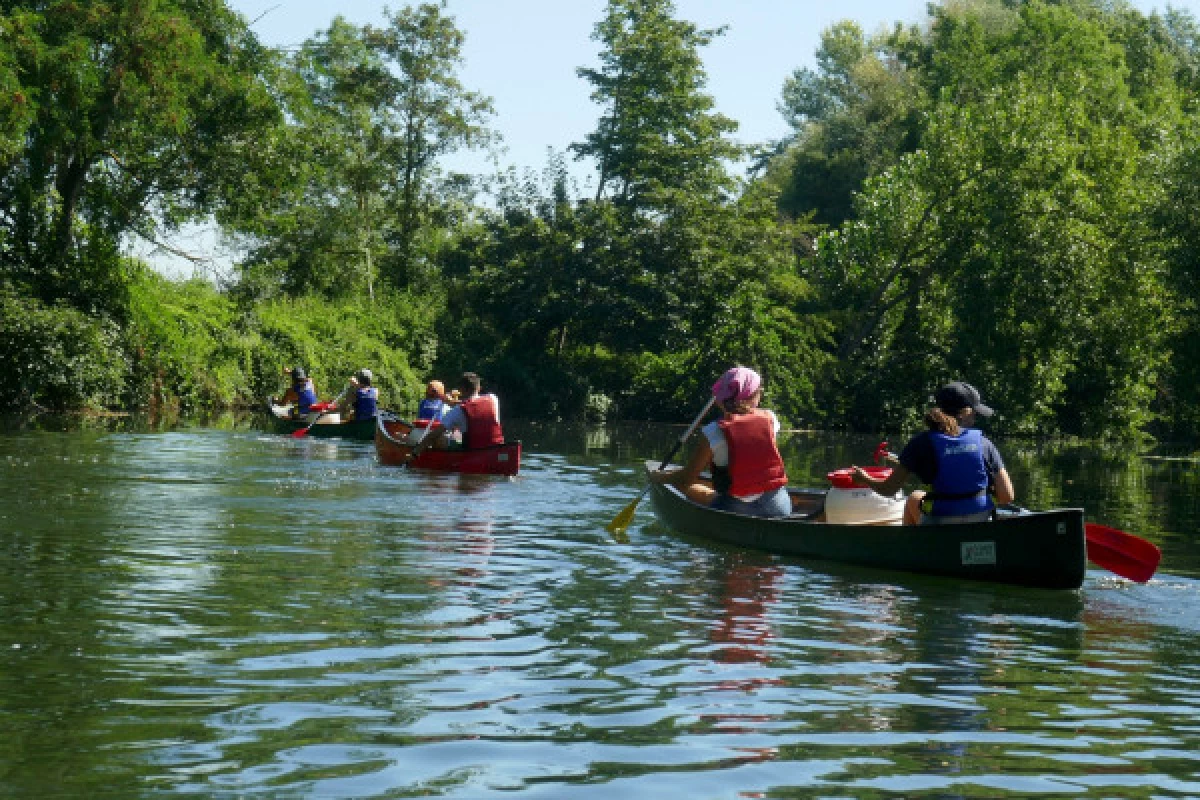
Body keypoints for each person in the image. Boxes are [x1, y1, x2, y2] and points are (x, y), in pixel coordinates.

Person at [853, 381, 1015, 525]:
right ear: (964, 413)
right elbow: (1007, 496)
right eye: (974, 412)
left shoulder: (920, 443)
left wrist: (864, 478)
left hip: (940, 524)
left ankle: (912, 551)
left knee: (914, 497)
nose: (975, 418)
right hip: (980, 522)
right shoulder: (984, 443)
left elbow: (888, 490)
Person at [647, 366, 791, 519]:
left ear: (720, 399)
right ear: (755, 396)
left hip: (734, 510)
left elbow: (686, 478)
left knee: (687, 487)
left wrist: (659, 478)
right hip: (779, 507)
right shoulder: (771, 419)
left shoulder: (713, 432)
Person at [410, 372, 503, 457]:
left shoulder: (457, 411)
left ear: (461, 390)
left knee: (438, 437)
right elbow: (473, 403)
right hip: (496, 449)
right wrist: (452, 403)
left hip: (473, 452)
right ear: (479, 388)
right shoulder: (493, 398)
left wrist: (415, 452)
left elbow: (434, 434)